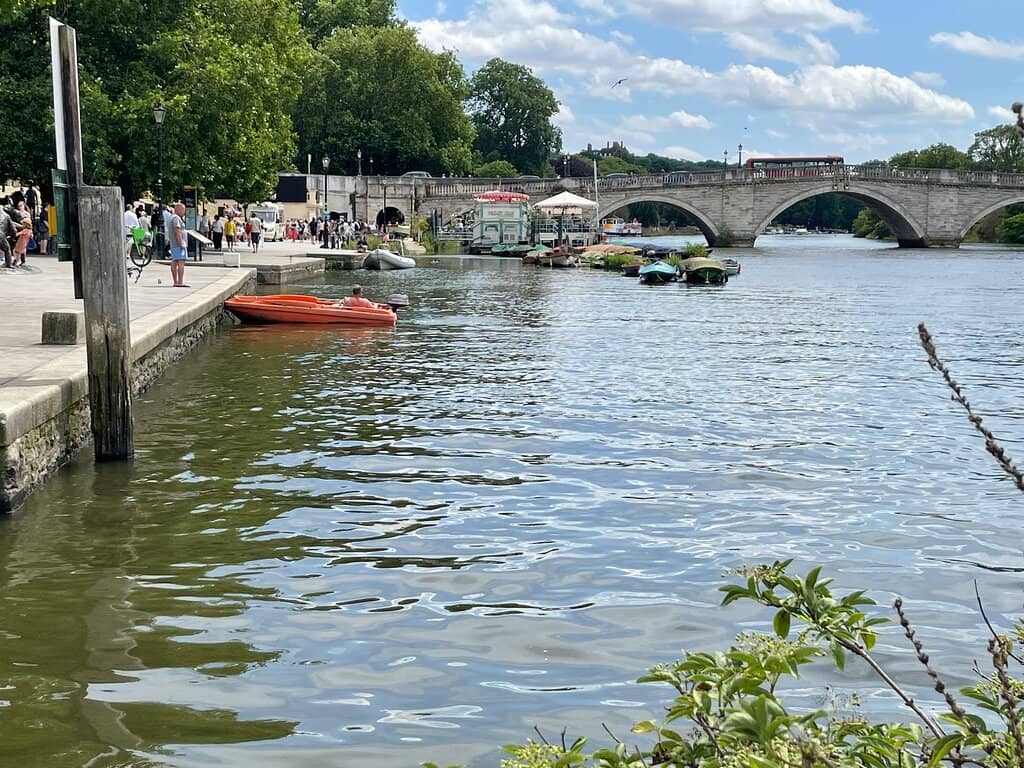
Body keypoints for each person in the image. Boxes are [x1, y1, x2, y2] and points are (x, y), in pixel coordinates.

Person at [168, 202, 188, 287]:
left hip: (173, 244)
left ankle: (176, 281)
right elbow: (177, 230)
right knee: (180, 262)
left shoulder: (171, 217)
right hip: (178, 244)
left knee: (175, 261)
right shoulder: (176, 218)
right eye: (183, 210)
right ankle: (180, 282)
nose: (184, 212)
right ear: (178, 209)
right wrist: (181, 243)